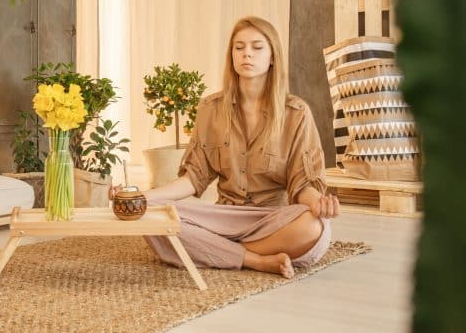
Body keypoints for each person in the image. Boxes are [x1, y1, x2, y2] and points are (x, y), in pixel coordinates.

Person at [131, 16, 339, 278]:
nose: (246, 54)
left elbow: (302, 185)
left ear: (273, 56)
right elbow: (194, 179)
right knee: (153, 218)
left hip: (272, 219)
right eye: (239, 47)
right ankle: (256, 259)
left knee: (313, 226)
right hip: (224, 217)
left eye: (257, 47)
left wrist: (318, 204)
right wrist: (141, 199)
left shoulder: (296, 113)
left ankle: (218, 252)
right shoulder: (210, 108)